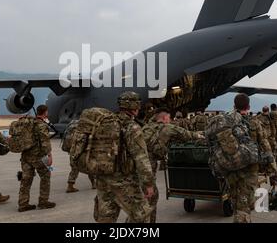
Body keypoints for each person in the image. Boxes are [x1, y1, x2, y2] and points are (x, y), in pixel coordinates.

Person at [94, 91, 154, 223]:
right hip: (124, 181)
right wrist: (148, 183)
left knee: (106, 218)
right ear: (133, 107)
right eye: (138, 105)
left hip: (103, 178)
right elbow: (141, 158)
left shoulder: (104, 123)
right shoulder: (131, 127)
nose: (139, 107)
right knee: (142, 216)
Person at [142, 108, 203, 222]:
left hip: (138, 166)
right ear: (165, 118)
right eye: (169, 118)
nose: (170, 120)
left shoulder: (146, 127)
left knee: (143, 198)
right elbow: (186, 134)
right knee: (150, 199)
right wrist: (200, 136)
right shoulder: (167, 128)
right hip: (148, 168)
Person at [222, 94, 259, 223]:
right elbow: (265, 147)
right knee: (243, 209)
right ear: (248, 106)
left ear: (234, 106)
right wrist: (273, 172)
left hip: (231, 172)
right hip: (248, 174)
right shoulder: (253, 122)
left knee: (237, 206)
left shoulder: (226, 122)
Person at [18, 105, 55, 212]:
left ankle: (23, 204)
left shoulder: (28, 123)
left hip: (25, 156)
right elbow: (45, 143)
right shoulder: (41, 125)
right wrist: (49, 156)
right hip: (38, 156)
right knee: (45, 176)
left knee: (26, 179)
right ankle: (43, 201)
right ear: (45, 112)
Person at [65, 120, 96, 193]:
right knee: (90, 167)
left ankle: (70, 185)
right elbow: (83, 145)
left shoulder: (74, 132)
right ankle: (94, 183)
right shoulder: (84, 133)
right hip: (80, 153)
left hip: (73, 152)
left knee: (74, 169)